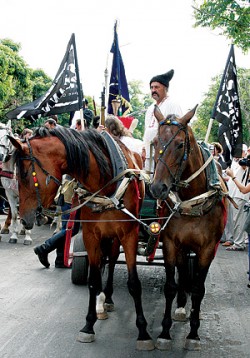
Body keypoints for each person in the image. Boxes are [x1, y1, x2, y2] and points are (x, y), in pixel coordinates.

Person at [33, 177, 80, 268]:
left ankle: (60, 259)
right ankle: (44, 248)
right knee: (71, 229)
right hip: (72, 195)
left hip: (68, 193)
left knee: (66, 229)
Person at [143, 69, 183, 173]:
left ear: (165, 88)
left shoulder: (173, 104)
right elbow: (147, 130)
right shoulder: (150, 108)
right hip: (149, 154)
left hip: (164, 155)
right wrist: (144, 148)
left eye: (156, 87)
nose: (153, 90)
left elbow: (177, 131)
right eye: (151, 87)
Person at [222, 146, 249, 251]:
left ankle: (239, 243)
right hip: (233, 194)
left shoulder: (244, 163)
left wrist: (232, 175)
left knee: (238, 221)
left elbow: (243, 165)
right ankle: (235, 240)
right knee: (233, 220)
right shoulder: (234, 162)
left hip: (240, 196)